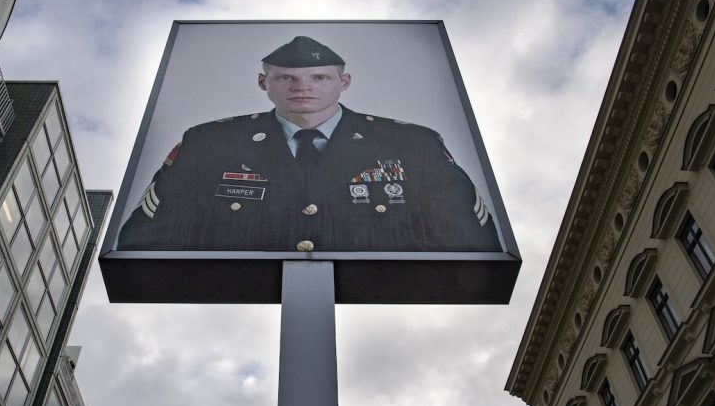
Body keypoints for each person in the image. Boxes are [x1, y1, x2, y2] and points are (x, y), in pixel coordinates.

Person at [117, 36, 502, 252]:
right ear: (263, 83)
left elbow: (471, 241)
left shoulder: (412, 144)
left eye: (319, 78)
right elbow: (144, 242)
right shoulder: (208, 143)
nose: (303, 88)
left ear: (343, 82)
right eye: (286, 78)